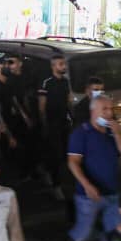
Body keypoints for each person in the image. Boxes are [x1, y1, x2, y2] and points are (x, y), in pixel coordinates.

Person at [53, 95, 121, 241]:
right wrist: (87, 185)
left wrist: (117, 134)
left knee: (114, 229)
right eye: (104, 110)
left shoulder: (111, 133)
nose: (108, 114)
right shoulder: (81, 133)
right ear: (93, 112)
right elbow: (73, 162)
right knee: (83, 230)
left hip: (112, 192)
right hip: (87, 194)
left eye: (110, 110)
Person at [38, 54, 72, 201]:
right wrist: (44, 124)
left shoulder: (65, 82)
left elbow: (68, 101)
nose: (63, 66)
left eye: (64, 64)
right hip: (52, 123)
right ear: (53, 66)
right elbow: (41, 106)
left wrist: (71, 117)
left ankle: (53, 175)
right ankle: (55, 185)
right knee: (55, 154)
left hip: (64, 122)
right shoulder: (46, 83)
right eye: (60, 64)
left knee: (63, 154)